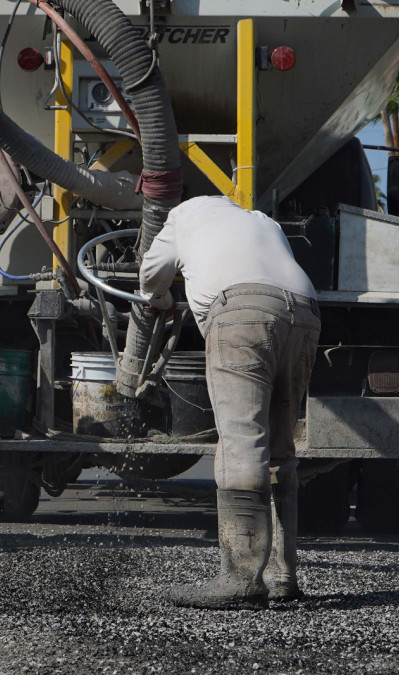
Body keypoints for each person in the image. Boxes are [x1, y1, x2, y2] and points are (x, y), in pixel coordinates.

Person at [139, 195, 321, 609]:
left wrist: (165, 302)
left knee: (242, 439)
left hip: (241, 314)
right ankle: (282, 575)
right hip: (305, 313)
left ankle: (240, 578)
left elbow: (150, 277)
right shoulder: (261, 221)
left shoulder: (182, 218)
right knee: (279, 446)